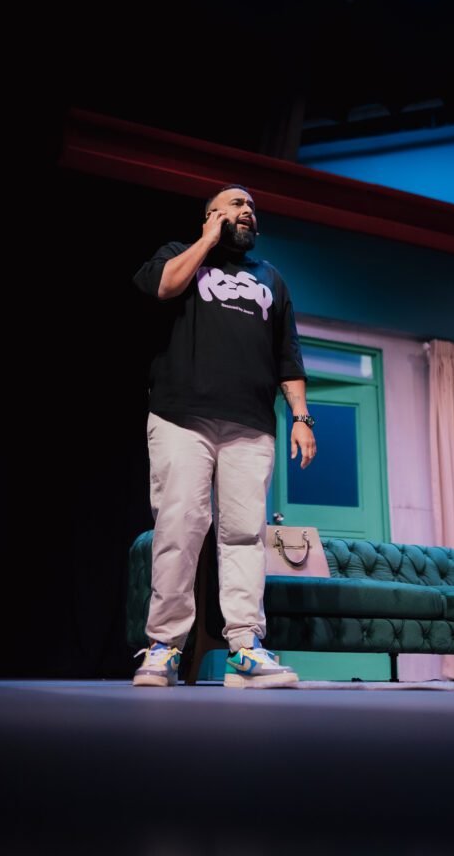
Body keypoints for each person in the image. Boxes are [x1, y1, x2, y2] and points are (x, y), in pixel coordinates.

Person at [131, 184, 316, 687]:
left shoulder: (271, 278)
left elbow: (288, 357)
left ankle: (245, 648)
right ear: (211, 215)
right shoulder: (180, 255)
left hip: (251, 423)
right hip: (182, 415)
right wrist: (207, 241)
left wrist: (301, 417)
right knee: (179, 529)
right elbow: (163, 287)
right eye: (236, 204)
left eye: (252, 206)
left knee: (245, 535)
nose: (248, 210)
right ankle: (164, 647)